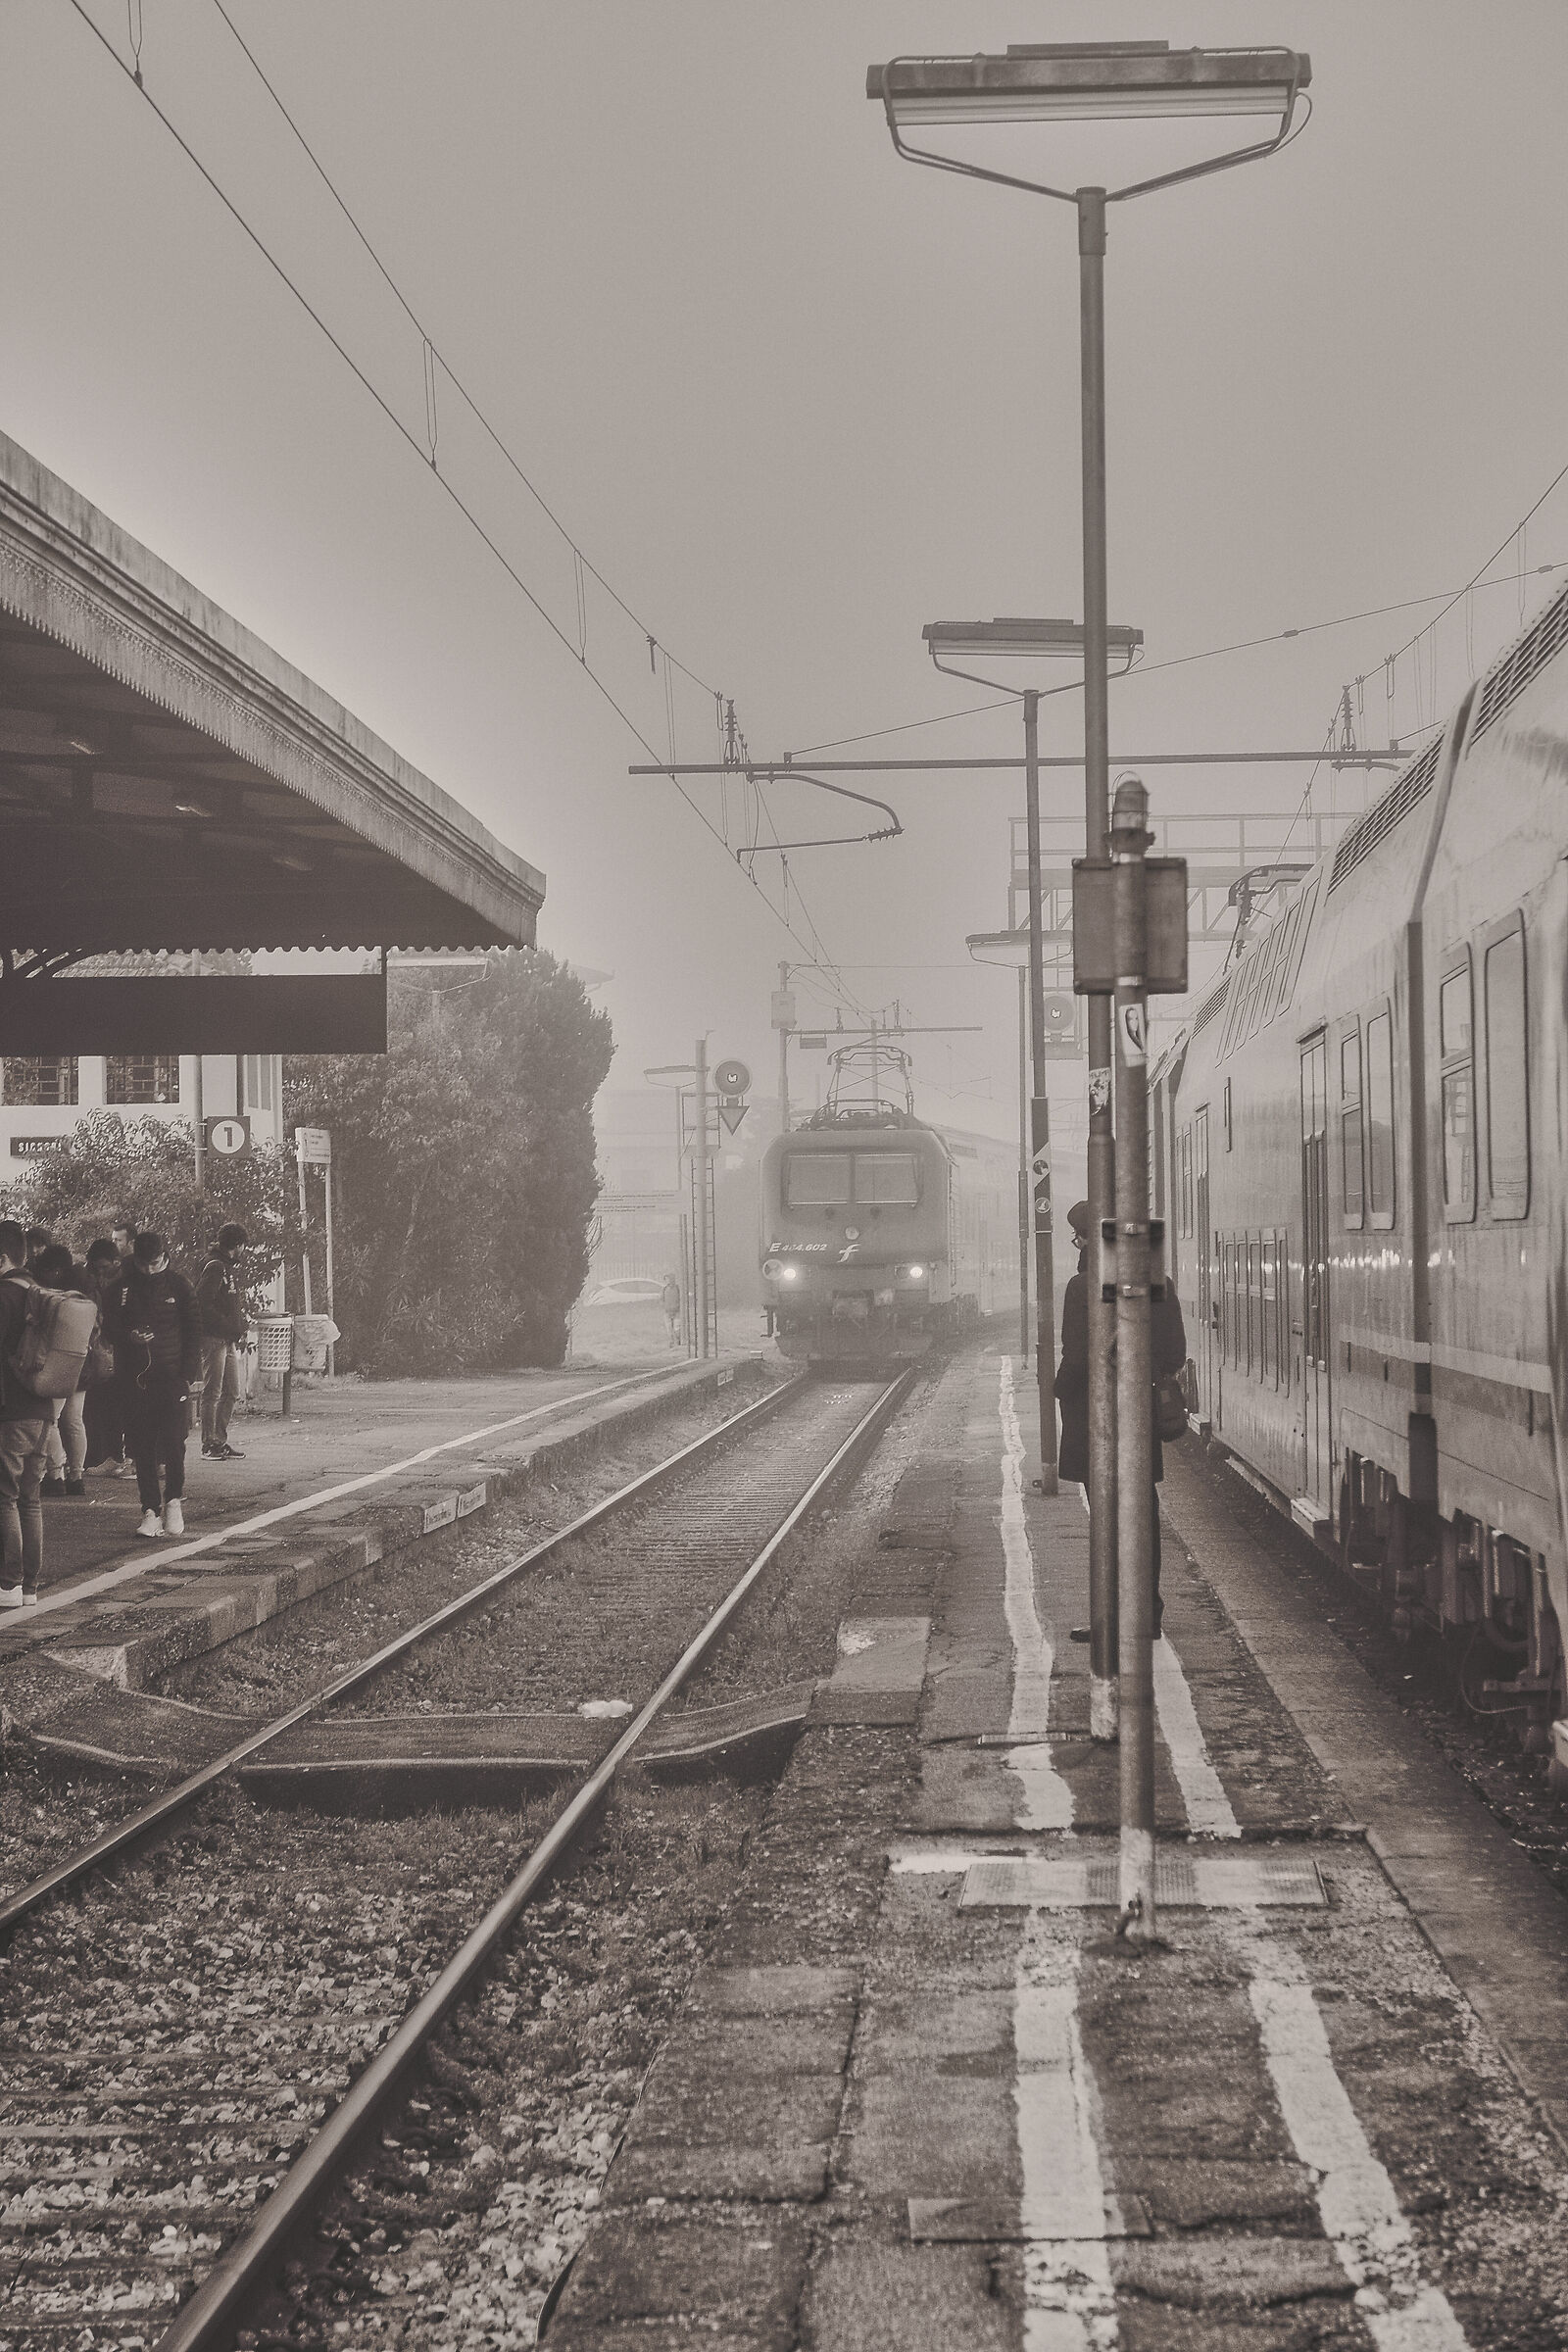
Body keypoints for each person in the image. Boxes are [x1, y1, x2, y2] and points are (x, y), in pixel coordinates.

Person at [1054, 1200, 1188, 1641]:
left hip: (1097, 1421)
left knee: (1109, 1521)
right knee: (1142, 1517)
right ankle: (1147, 1614)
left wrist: (1059, 1388)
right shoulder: (1157, 1282)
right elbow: (1175, 1353)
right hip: (1139, 1417)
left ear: (1089, 1241)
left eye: (1078, 1238)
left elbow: (1076, 1358)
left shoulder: (1082, 1287)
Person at [108, 1232, 201, 1540]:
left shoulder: (180, 1285)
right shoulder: (121, 1287)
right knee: (142, 1446)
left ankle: (173, 1500)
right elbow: (109, 1328)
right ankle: (150, 1510)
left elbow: (193, 1331)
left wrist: (187, 1375)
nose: (149, 1269)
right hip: (134, 1379)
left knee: (174, 1443)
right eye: (143, 1264)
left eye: (155, 1263)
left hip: (172, 1378)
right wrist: (130, 1337)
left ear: (164, 1256)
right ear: (134, 1259)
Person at [0, 1218, 53, 1607]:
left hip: (10, 1410)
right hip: (43, 1408)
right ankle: (30, 1587)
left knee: (4, 1497)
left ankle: (8, 1584)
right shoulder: (41, 1293)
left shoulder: (4, 1297)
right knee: (30, 1499)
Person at [33, 1244, 92, 1498]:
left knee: (51, 1420)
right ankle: (77, 1477)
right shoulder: (87, 1293)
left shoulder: (55, 1297)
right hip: (83, 1363)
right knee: (75, 1421)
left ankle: (55, 1475)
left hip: (59, 1362)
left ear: (55, 1270)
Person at [196, 1223, 249, 1460]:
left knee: (232, 1391)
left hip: (226, 1338)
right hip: (213, 1337)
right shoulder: (216, 1267)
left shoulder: (226, 1266)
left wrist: (236, 1326)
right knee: (212, 1391)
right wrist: (227, 1324)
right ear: (237, 1245)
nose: (243, 1250)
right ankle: (209, 1444)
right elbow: (201, 1302)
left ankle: (219, 1440)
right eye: (243, 1245)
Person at [81, 1239, 125, 1477]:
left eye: (103, 1267)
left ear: (116, 1262)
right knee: (99, 1405)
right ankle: (103, 1456)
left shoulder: (125, 1283)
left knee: (113, 1406)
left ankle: (114, 1456)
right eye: (96, 1267)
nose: (100, 1272)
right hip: (101, 1350)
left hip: (115, 1348)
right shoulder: (94, 1281)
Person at [661, 1271, 681, 1349]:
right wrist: (664, 1307)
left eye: (670, 1278)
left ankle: (679, 1342)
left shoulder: (678, 1288)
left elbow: (682, 1299)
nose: (669, 1280)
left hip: (677, 1312)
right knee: (669, 1329)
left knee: (677, 1328)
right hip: (667, 1312)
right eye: (667, 1279)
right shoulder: (664, 1289)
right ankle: (671, 1343)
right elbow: (661, 1299)